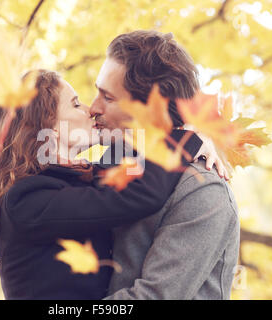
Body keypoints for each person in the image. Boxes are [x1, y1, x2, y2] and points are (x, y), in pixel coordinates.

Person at [0, 69, 222, 299]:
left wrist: (188, 137)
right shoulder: (27, 200)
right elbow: (135, 197)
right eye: (75, 104)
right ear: (48, 125)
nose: (90, 111)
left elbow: (122, 168)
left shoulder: (67, 182)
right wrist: (186, 140)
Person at [88, 30, 240, 299]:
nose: (92, 108)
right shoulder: (111, 165)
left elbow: (154, 297)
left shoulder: (201, 192)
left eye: (108, 98)